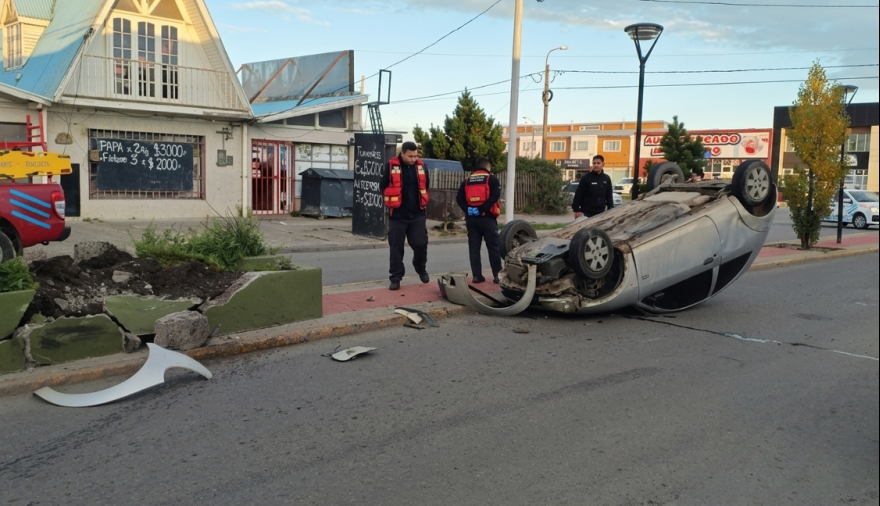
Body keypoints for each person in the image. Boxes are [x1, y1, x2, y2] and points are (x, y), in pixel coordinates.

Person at [380, 141, 430, 291]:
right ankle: (395, 278)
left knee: (420, 244)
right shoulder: (390, 166)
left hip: (418, 214)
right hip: (397, 216)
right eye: (410, 156)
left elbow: (426, 185)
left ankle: (420, 267)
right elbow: (383, 186)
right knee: (396, 247)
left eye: (415, 156)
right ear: (402, 153)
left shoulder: (422, 167)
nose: (413, 159)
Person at [456, 157, 503, 284]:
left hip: (471, 219)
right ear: (488, 167)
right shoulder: (491, 179)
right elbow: (495, 196)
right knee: (493, 247)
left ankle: (477, 276)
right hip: (487, 218)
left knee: (474, 247)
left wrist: (468, 209)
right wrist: (482, 209)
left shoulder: (467, 181)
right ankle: (497, 275)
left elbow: (459, 198)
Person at [572, 154, 614, 219]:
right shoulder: (586, 178)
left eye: (598, 163)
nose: (596, 165)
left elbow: (609, 196)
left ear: (603, 164)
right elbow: (579, 194)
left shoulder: (606, 178)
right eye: (594, 163)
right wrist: (576, 209)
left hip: (601, 212)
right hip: (586, 213)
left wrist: (611, 209)